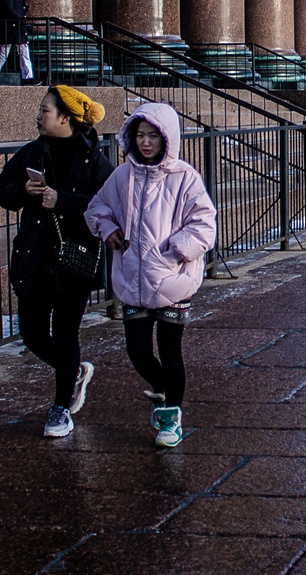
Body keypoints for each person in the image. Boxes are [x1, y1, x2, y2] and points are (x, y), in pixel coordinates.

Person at [85, 102, 217, 448]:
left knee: (170, 350)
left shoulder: (184, 177)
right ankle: (163, 389)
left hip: (174, 278)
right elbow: (97, 207)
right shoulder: (122, 176)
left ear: (167, 138)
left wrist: (177, 249)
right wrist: (108, 227)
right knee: (138, 351)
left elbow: (204, 224)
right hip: (132, 278)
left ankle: (171, 416)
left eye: (153, 136)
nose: (146, 143)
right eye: (140, 136)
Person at [0, 86, 112, 437]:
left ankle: (61, 407)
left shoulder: (94, 158)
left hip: (74, 260)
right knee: (31, 334)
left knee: (64, 334)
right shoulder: (32, 152)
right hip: (35, 255)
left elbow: (107, 205)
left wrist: (63, 200)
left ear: (66, 117)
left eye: (45, 109)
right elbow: (3, 190)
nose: (38, 115)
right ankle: (74, 371)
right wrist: (22, 192)